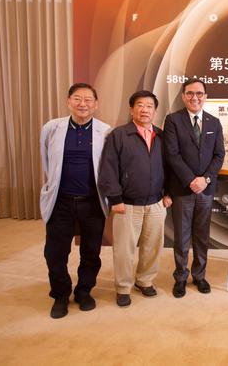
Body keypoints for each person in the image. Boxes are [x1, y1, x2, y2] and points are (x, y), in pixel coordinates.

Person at [40, 83, 110, 319]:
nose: (83, 104)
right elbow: (46, 160)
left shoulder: (105, 131)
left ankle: (84, 291)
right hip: (60, 201)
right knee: (55, 253)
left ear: (96, 104)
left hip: (92, 202)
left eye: (88, 99)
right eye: (77, 98)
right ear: (68, 101)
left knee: (91, 252)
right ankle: (60, 294)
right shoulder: (52, 128)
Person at [98, 90, 172, 308]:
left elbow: (169, 168)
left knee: (153, 247)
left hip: (156, 203)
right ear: (131, 110)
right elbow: (108, 168)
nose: (144, 110)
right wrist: (115, 199)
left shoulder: (161, 136)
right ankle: (123, 287)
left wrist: (168, 193)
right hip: (127, 204)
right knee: (124, 250)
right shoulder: (119, 135)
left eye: (149, 106)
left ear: (155, 111)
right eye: (140, 105)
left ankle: (145, 280)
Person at [163, 78, 225, 298]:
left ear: (205, 96)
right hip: (183, 188)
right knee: (181, 237)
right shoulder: (173, 120)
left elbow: (219, 155)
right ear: (183, 96)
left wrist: (205, 179)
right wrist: (191, 180)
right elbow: (172, 155)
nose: (195, 97)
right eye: (190, 93)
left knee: (202, 236)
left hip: (205, 190)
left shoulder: (214, 122)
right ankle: (180, 277)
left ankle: (199, 275)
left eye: (199, 93)